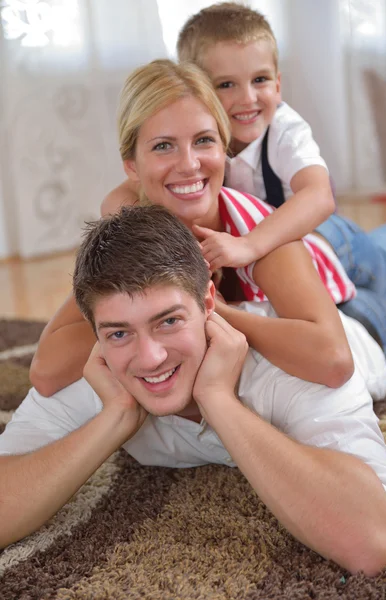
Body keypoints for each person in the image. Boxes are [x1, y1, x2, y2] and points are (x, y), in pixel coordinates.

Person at [1, 205, 386, 575]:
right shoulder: (100, 373)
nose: (151, 357)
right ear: (96, 334)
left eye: (168, 321)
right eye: (120, 332)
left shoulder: (290, 371)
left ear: (209, 301)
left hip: (369, 325)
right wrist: (115, 418)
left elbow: (374, 541)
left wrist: (220, 401)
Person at [31, 59, 358, 398]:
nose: (189, 165)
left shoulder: (258, 231)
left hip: (346, 284)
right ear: (132, 165)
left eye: (204, 140)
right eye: (163, 146)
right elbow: (45, 373)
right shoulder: (135, 237)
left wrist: (206, 310)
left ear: (223, 147)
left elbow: (334, 362)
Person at [176, 2, 386, 374]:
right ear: (196, 89)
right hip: (292, 262)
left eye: (260, 80)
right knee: (356, 304)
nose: (248, 98)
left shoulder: (283, 129)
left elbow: (319, 196)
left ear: (278, 85)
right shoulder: (195, 140)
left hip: (331, 241)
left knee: (385, 258)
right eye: (227, 84)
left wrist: (249, 245)